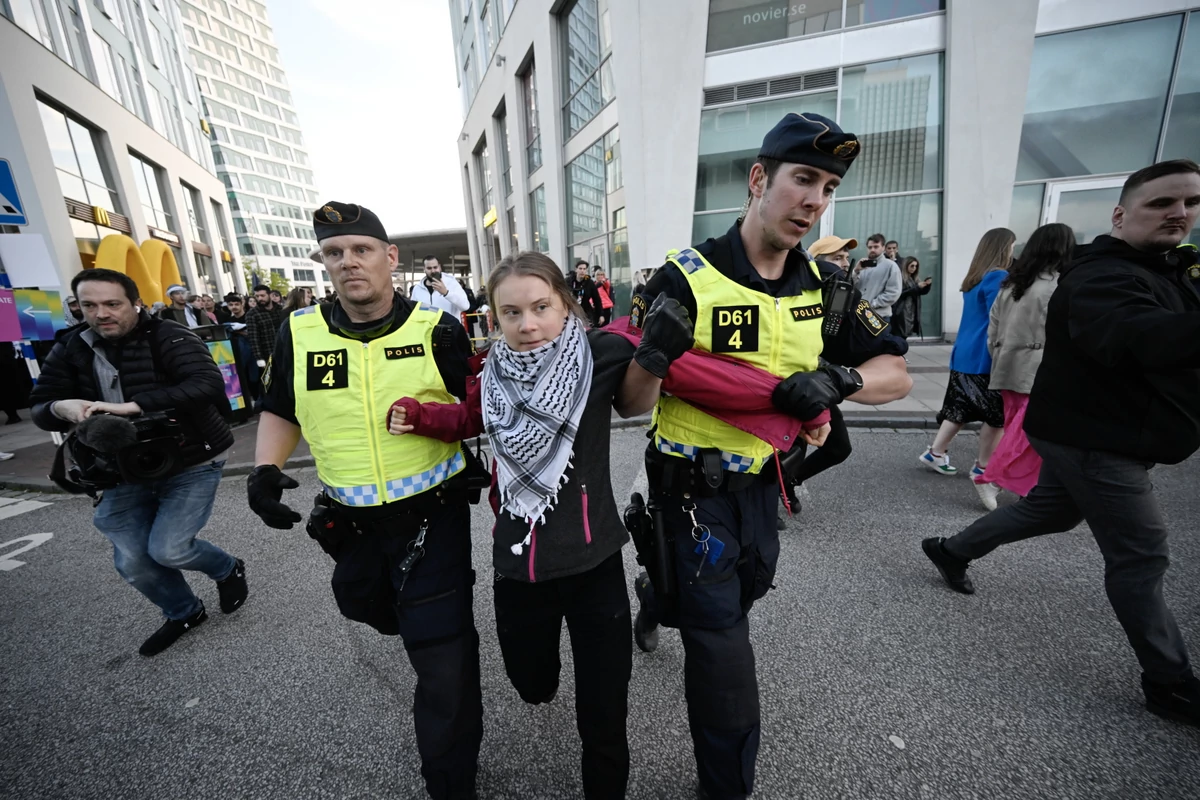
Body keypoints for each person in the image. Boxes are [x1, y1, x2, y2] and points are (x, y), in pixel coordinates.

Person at [618, 112, 912, 800]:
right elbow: (631, 403)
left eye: (829, 187)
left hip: (762, 492)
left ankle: (655, 598)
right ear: (759, 180)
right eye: (803, 179)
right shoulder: (684, 276)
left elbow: (893, 372)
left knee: (733, 600)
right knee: (723, 649)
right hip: (688, 496)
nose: (814, 200)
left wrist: (842, 380)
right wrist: (656, 353)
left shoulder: (827, 287)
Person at [922, 159, 1200, 728]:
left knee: (1049, 509)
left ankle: (952, 548)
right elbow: (1135, 338)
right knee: (1141, 555)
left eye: (1192, 204)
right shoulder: (1096, 278)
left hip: (1067, 412)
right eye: (1162, 203)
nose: (1181, 213)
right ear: (1121, 215)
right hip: (1093, 433)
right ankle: (1169, 681)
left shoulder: (1158, 270)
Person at [247, 202, 483, 798]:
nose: (348, 262)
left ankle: (450, 781)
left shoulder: (437, 329)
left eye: (361, 249)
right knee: (363, 604)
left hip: (432, 516)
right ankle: (424, 628)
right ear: (323, 263)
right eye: (334, 253)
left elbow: (483, 410)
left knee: (441, 659)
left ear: (389, 258)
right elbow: (281, 406)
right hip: (349, 524)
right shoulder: (298, 331)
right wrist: (265, 470)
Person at [29, 268, 246, 656]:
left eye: (112, 304)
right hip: (118, 469)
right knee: (133, 561)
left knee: (170, 549)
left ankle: (227, 568)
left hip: (192, 458)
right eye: (89, 305)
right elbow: (41, 405)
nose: (101, 314)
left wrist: (133, 406)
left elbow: (209, 385)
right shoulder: (70, 345)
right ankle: (184, 611)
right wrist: (62, 406)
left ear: (135, 303)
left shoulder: (172, 335)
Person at [917, 228, 1013, 511]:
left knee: (959, 409)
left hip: (964, 353)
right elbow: (1001, 317)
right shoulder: (998, 277)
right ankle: (982, 467)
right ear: (1004, 248)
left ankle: (936, 452)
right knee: (996, 417)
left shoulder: (973, 279)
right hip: (983, 356)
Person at [980, 223, 1073, 497]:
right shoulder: (1055, 286)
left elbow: (992, 329)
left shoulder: (1011, 283)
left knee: (1017, 430)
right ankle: (991, 478)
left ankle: (1027, 487)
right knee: (1027, 434)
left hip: (1007, 366)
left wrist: (1000, 355)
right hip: (1036, 370)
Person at [853, 233, 902, 327]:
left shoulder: (891, 266)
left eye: (876, 247)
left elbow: (893, 293)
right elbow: (852, 287)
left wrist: (871, 304)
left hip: (879, 316)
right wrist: (856, 271)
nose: (872, 250)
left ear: (883, 247)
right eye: (870, 247)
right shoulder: (862, 265)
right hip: (859, 316)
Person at [245, 284, 286, 371]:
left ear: (270, 295)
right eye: (257, 296)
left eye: (262, 295)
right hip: (268, 355)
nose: (260, 298)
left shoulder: (281, 309)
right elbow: (253, 338)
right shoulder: (252, 314)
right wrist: (259, 359)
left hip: (285, 351)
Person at [892, 257, 933, 339]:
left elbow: (920, 292)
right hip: (901, 311)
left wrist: (927, 285)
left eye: (916, 266)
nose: (914, 268)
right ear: (906, 265)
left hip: (911, 311)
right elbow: (899, 294)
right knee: (900, 336)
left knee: (903, 337)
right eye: (912, 266)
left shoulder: (914, 278)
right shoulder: (900, 278)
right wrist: (917, 287)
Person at [569, 260, 602, 327]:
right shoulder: (568, 281)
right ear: (576, 269)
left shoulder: (589, 283)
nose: (582, 271)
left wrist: (601, 315)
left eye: (584, 269)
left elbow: (597, 300)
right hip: (571, 312)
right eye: (580, 268)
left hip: (586, 311)